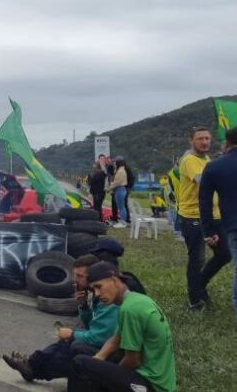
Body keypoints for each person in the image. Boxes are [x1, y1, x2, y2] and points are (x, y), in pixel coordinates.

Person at [3, 255, 119, 384]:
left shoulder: (108, 299)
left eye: (80, 276)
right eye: (74, 275)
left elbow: (100, 338)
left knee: (76, 345)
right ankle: (31, 363)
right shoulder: (98, 296)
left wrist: (73, 334)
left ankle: (34, 370)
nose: (75, 280)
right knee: (68, 340)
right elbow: (90, 326)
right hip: (105, 345)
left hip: (115, 354)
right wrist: (83, 305)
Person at [71, 261, 176, 392]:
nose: (97, 294)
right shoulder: (135, 300)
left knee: (80, 363)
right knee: (82, 350)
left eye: (99, 286)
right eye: (94, 289)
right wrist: (99, 358)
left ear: (114, 280)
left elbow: (133, 361)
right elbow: (116, 338)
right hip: (151, 376)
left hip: (150, 384)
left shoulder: (129, 309)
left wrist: (108, 376)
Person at [177, 127, 231, 309]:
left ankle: (199, 285)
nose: (205, 142)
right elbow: (202, 180)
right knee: (197, 258)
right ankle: (195, 297)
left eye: (207, 138)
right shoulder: (189, 160)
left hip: (213, 216)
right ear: (191, 141)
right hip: (193, 216)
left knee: (224, 254)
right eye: (200, 138)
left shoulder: (206, 159)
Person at [199, 126, 237, 321]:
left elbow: (204, 202)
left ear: (227, 143)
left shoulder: (214, 166)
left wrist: (208, 231)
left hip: (232, 225)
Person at [108, 158, 128, 228]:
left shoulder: (120, 171)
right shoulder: (120, 170)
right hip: (120, 189)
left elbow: (117, 182)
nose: (114, 164)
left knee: (121, 207)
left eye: (115, 163)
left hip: (120, 189)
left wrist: (110, 187)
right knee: (121, 207)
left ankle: (123, 222)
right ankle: (122, 221)